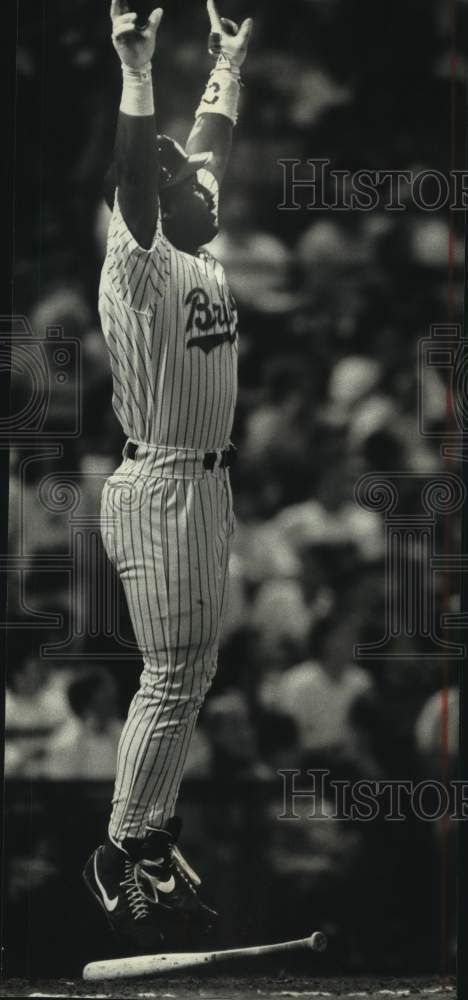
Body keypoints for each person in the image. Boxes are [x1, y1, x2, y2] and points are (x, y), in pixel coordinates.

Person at [82, 0, 254, 954]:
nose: (208, 178)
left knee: (192, 672)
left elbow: (205, 143)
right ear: (154, 199)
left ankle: (150, 840)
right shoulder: (141, 262)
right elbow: (144, 179)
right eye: (191, 179)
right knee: (172, 673)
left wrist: (228, 59)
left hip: (199, 483)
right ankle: (122, 849)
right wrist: (137, 69)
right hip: (162, 486)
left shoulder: (194, 239)